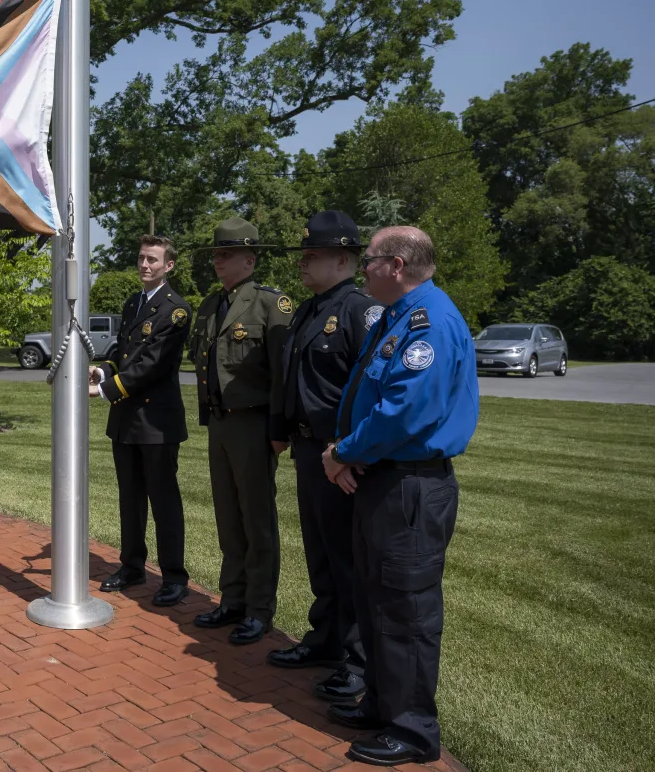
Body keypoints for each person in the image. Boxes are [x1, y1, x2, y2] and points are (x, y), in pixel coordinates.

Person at [321, 226, 478, 767]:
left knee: (405, 610)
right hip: (383, 479)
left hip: (410, 485)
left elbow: (407, 412)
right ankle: (383, 705)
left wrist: (342, 450)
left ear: (394, 264)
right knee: (375, 599)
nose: (360, 268)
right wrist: (346, 450)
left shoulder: (427, 321)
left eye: (367, 261)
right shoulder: (396, 316)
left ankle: (413, 731)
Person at [267, 211, 383, 705]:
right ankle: (326, 638)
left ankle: (357, 664)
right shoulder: (310, 309)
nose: (303, 263)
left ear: (344, 258)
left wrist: (350, 450)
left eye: (312, 255)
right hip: (310, 449)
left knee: (348, 559)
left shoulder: (360, 310)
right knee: (321, 553)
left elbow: (372, 388)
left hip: (341, 455)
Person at [187, 217, 293, 645]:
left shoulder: (272, 305)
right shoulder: (211, 305)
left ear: (249, 259)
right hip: (221, 422)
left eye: (226, 255)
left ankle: (259, 609)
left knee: (257, 519)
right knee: (228, 517)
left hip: (254, 423)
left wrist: (279, 428)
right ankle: (232, 600)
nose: (218, 261)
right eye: (216, 254)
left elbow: (283, 373)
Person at [89, 235, 192, 607]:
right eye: (141, 258)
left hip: (156, 422)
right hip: (127, 421)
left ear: (169, 266)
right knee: (130, 499)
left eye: (152, 259)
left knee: (163, 502)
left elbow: (152, 364)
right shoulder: (133, 303)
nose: (144, 265)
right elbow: (124, 352)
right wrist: (102, 370)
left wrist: (106, 391)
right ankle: (132, 566)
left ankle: (174, 577)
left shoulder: (176, 310)